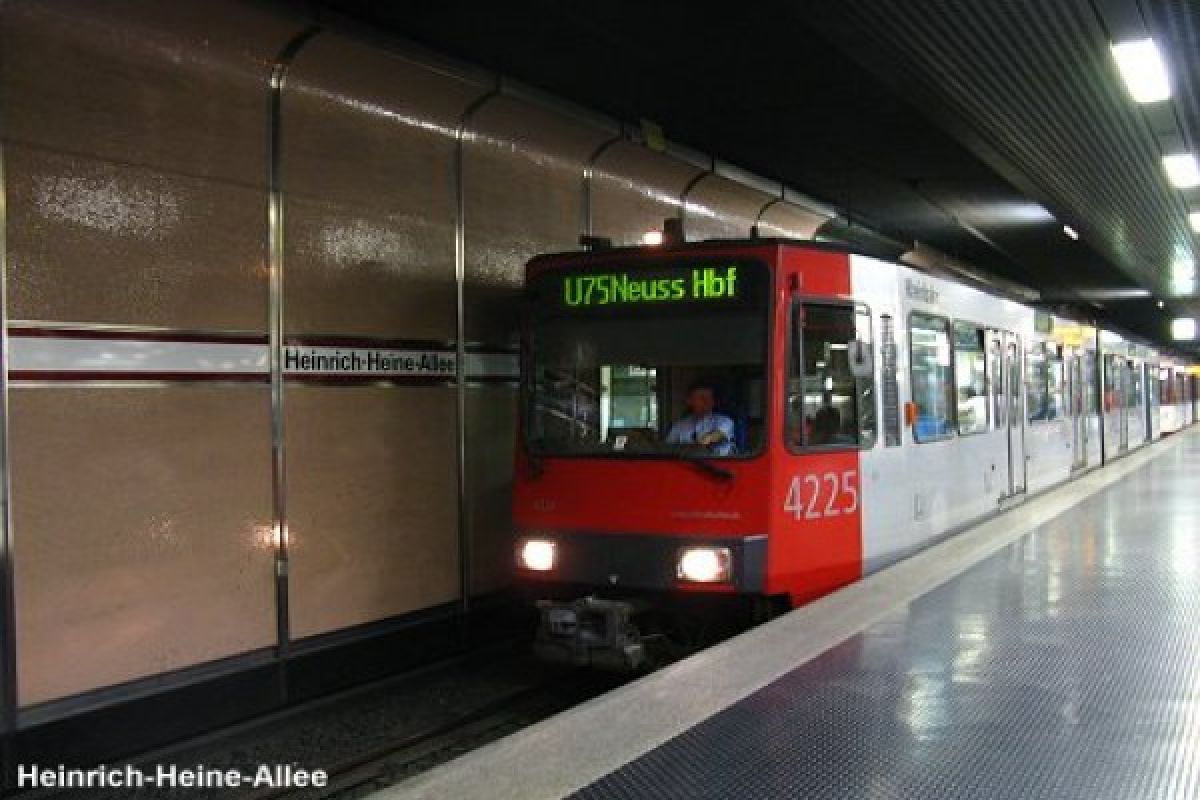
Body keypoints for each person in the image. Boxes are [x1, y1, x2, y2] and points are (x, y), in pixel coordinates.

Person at [666, 382, 736, 455]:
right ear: (689, 401)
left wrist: (708, 438)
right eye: (702, 398)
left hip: (718, 464)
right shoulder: (679, 426)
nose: (707, 401)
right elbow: (668, 447)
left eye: (710, 398)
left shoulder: (725, 421)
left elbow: (719, 434)